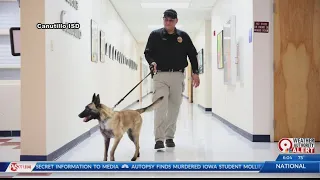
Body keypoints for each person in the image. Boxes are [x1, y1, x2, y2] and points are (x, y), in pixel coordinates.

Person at [144, 9, 200, 149]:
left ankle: (169, 137)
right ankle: (158, 139)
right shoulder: (155, 35)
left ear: (176, 21)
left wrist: (195, 72)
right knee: (160, 107)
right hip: (160, 76)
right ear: (163, 20)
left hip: (178, 75)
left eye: (171, 20)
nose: (168, 22)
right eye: (166, 20)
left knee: (174, 107)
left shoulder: (183, 36)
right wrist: (152, 62)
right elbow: (147, 52)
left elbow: (192, 55)